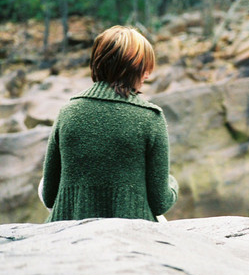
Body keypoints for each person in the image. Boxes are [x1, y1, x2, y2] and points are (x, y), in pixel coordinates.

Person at [39, 25, 177, 222]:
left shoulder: (68, 112)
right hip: (132, 236)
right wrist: (171, 183)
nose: (147, 75)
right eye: (144, 68)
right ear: (132, 69)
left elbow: (49, 195)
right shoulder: (150, 118)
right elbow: (160, 202)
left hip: (66, 230)